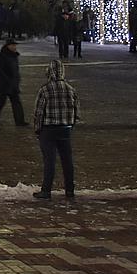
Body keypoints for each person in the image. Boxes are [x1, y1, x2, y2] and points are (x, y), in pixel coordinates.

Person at [32, 59, 80, 199]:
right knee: (67, 161)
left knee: (49, 161)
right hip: (65, 128)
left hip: (48, 129)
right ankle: (69, 190)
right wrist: (71, 125)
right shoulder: (70, 89)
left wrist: (38, 129)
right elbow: (76, 111)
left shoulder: (45, 90)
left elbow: (39, 112)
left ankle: (46, 190)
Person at [0, 39, 28, 127]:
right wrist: (6, 79)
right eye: (13, 45)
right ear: (8, 46)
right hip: (5, 84)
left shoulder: (14, 56)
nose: (15, 47)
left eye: (15, 46)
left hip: (14, 84)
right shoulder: (2, 56)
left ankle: (20, 121)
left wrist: (16, 79)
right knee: (0, 102)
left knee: (16, 102)